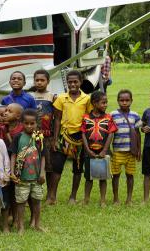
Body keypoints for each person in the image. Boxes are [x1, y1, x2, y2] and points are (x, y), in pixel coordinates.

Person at [49, 70, 92, 205]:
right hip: (63, 136)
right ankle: (52, 197)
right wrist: (55, 139)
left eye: (75, 82)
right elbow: (57, 119)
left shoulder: (87, 99)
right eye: (70, 82)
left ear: (80, 82)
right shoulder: (61, 98)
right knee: (57, 167)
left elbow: (89, 119)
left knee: (77, 169)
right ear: (66, 83)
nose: (72, 84)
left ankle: (73, 197)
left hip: (80, 138)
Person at [10, 109, 45, 234]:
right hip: (21, 178)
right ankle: (20, 226)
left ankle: (37, 224)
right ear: (22, 123)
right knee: (20, 202)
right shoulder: (18, 137)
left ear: (37, 123)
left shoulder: (39, 138)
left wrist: (42, 173)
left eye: (32, 123)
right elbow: (13, 155)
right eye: (26, 123)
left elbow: (43, 156)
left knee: (37, 200)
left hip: (36, 178)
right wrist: (12, 172)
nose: (29, 126)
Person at [81, 91, 117, 206]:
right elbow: (83, 134)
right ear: (94, 103)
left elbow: (111, 134)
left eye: (106, 102)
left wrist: (104, 151)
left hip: (103, 151)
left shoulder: (108, 117)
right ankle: (86, 199)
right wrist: (87, 150)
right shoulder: (86, 117)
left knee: (103, 177)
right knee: (88, 178)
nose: (106, 105)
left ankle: (103, 200)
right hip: (89, 152)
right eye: (103, 103)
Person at [110, 90, 142, 205]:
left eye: (127, 100)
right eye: (122, 100)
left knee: (130, 175)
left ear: (131, 101)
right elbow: (109, 133)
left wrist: (139, 149)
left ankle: (129, 199)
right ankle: (116, 198)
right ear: (118, 101)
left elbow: (138, 133)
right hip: (117, 151)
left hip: (131, 152)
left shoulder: (135, 115)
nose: (124, 102)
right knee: (116, 175)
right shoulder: (113, 114)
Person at [30, 69, 56, 204]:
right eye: (37, 80)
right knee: (33, 164)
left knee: (50, 166)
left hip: (48, 136)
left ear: (48, 81)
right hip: (33, 136)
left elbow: (56, 118)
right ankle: (33, 195)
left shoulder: (52, 97)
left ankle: (51, 195)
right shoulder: (30, 96)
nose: (39, 82)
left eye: (42, 80)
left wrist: (55, 138)